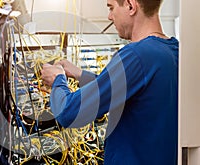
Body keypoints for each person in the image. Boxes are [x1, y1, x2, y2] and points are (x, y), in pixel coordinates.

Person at [41, 0, 179, 164]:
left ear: (130, 5)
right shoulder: (173, 50)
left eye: (111, 8)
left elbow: (70, 113)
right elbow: (129, 89)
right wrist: (80, 74)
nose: (109, 16)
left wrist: (58, 79)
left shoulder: (136, 54)